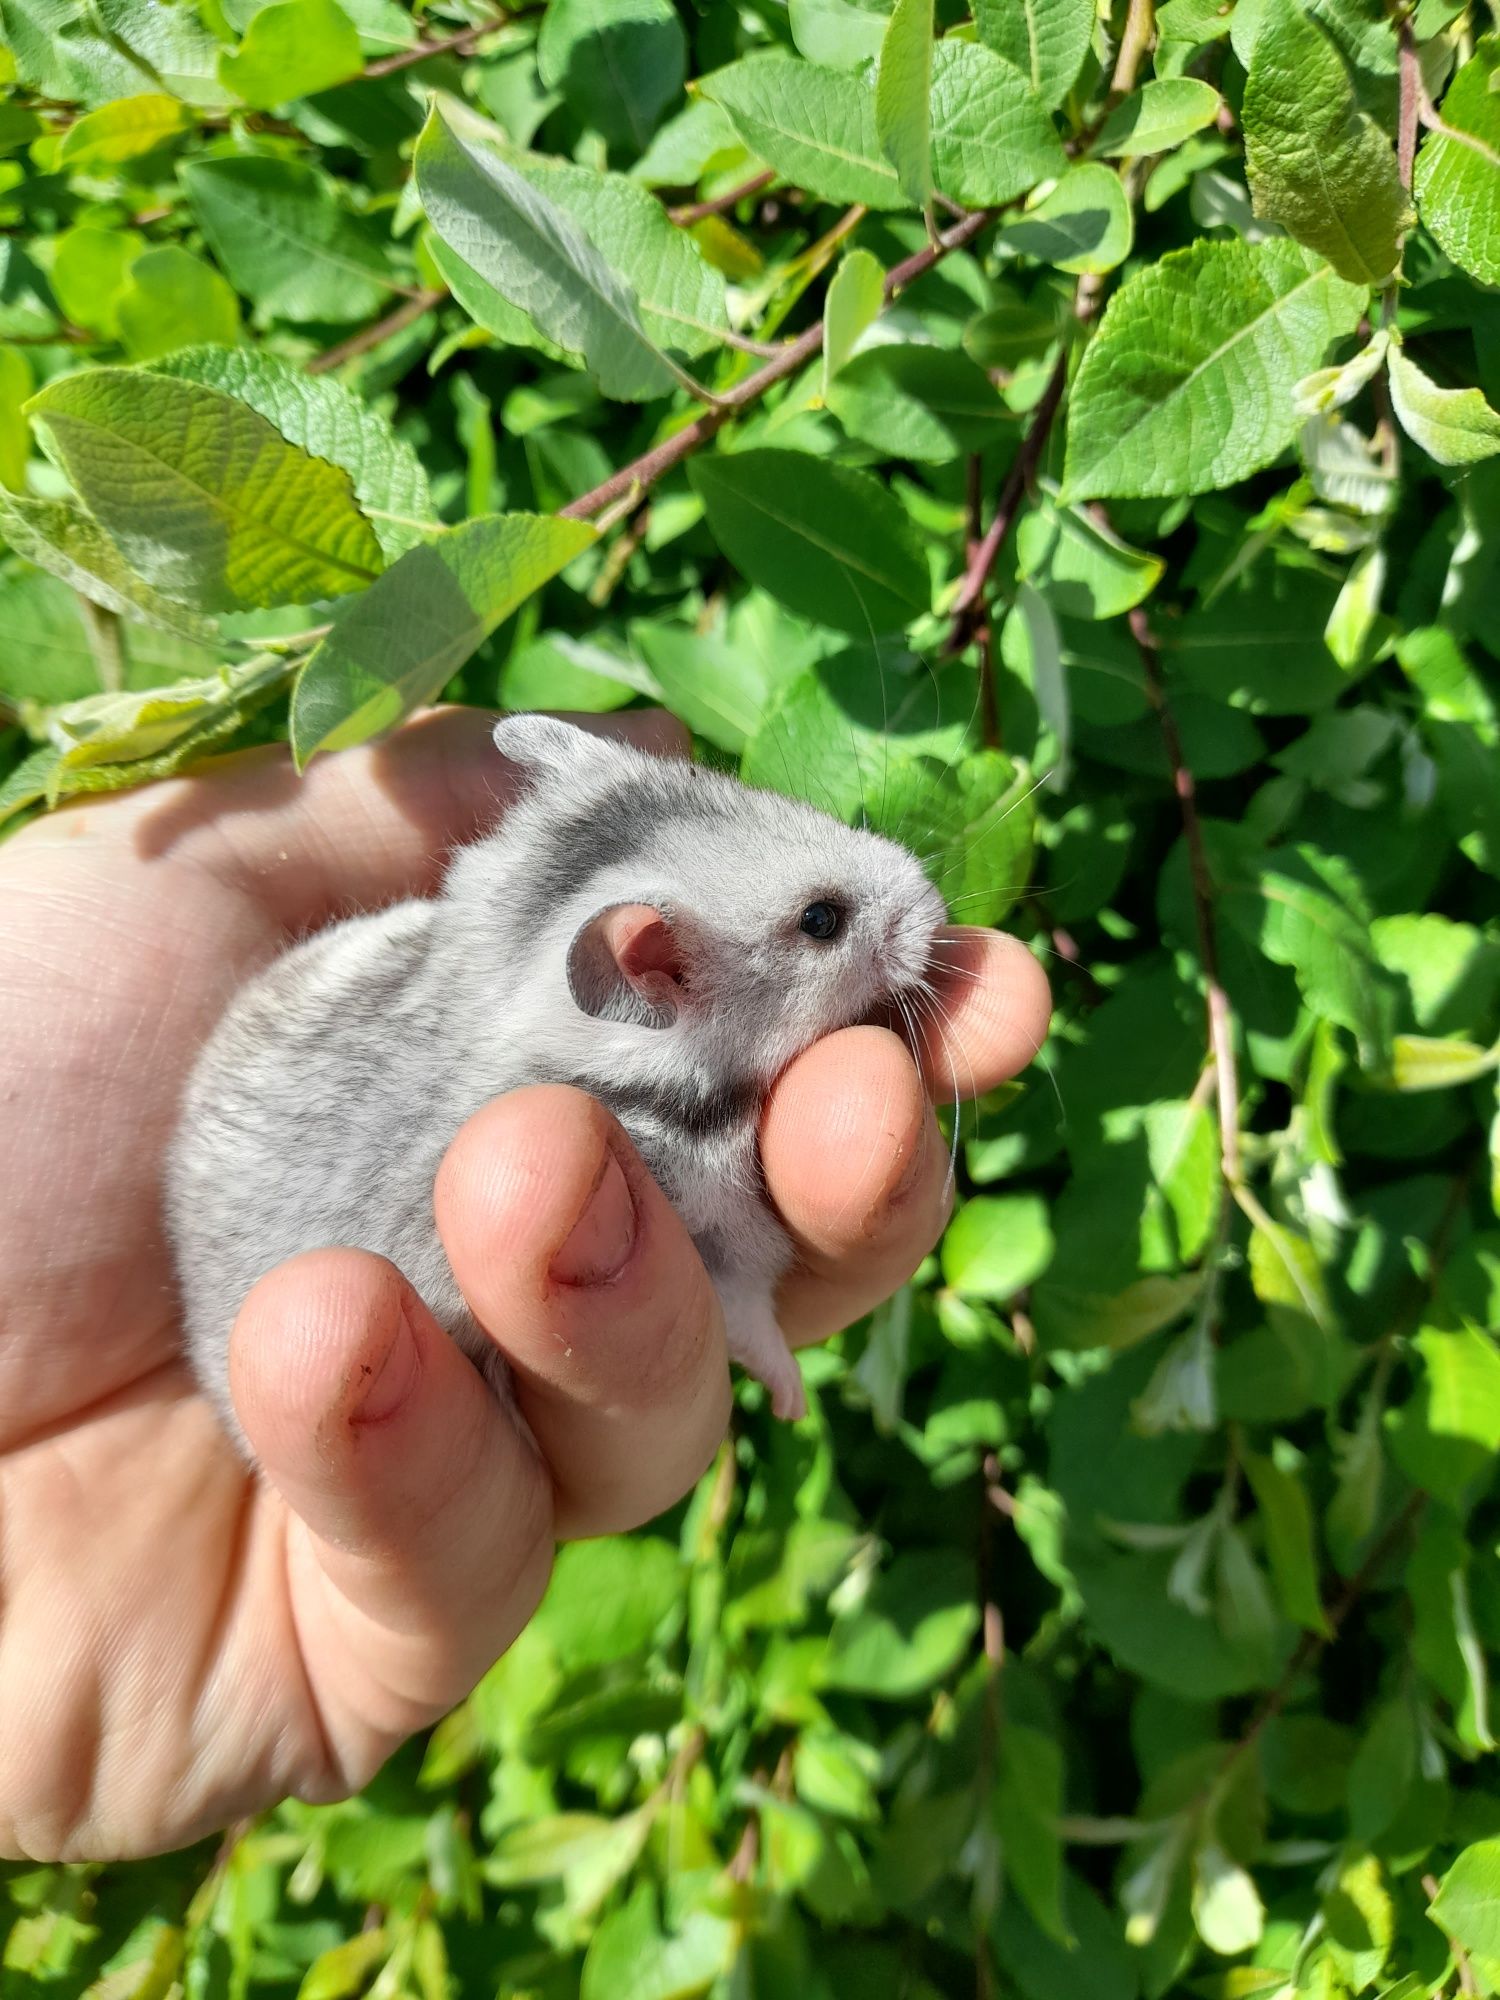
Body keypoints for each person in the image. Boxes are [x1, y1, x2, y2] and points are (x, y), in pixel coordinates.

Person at [0, 708, 1050, 1863]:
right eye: (821, 921)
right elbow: (718, 1244)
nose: (902, 887)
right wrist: (738, 1305)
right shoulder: (651, 1132)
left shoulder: (575, 995)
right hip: (281, 1314)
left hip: (264, 1168)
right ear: (655, 981)